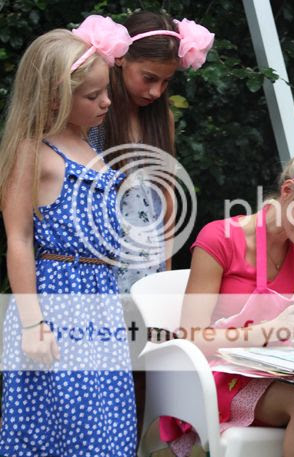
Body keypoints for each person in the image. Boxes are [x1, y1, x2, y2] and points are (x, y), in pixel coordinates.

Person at [165, 131, 294, 457]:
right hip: (221, 375)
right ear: (287, 191)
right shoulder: (219, 239)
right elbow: (192, 338)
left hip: (278, 370)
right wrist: (269, 331)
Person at [0, 16, 137, 455]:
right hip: (58, 305)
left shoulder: (91, 144)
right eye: (92, 95)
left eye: (106, 91)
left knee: (108, 427)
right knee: (71, 428)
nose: (106, 102)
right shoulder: (33, 151)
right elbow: (19, 239)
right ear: (55, 96)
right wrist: (31, 323)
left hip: (99, 304)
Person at [89, 10, 214, 293]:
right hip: (101, 258)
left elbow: (165, 194)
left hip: (148, 258)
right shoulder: (95, 116)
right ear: (121, 58)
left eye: (166, 82)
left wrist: (165, 266)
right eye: (149, 78)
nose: (156, 92)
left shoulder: (162, 118)